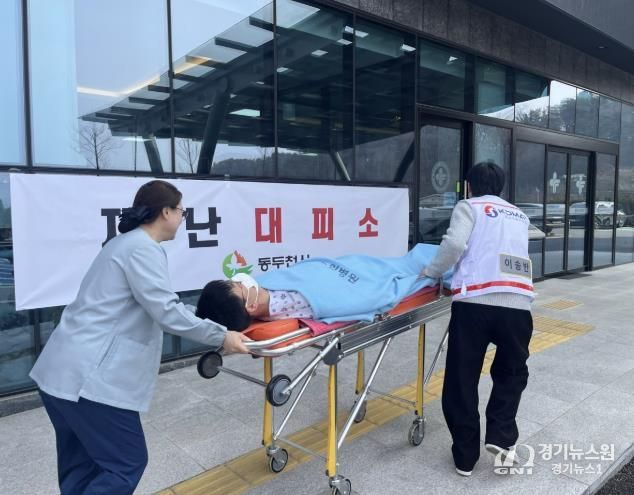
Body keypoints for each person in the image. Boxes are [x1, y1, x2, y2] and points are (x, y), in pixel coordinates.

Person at [29, 180, 251, 495]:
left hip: (59, 374)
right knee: (126, 463)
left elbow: (157, 304)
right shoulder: (142, 249)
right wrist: (222, 336)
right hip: (88, 382)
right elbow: (166, 312)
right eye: (182, 212)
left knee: (82, 468)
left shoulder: (124, 244)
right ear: (166, 212)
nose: (182, 218)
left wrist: (205, 319)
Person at [420, 162, 534, 477]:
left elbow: (455, 244)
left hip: (476, 303)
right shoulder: (519, 215)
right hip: (518, 303)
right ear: (501, 186)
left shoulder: (469, 207)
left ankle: (465, 456)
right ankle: (502, 438)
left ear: (469, 185)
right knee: (512, 374)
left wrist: (431, 271)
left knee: (462, 377)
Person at [196, 243, 452, 329]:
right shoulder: (288, 303)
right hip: (369, 281)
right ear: (250, 307)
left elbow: (307, 271)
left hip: (359, 269)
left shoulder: (262, 289)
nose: (241, 280)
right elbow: (349, 297)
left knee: (419, 256)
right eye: (236, 285)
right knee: (421, 263)